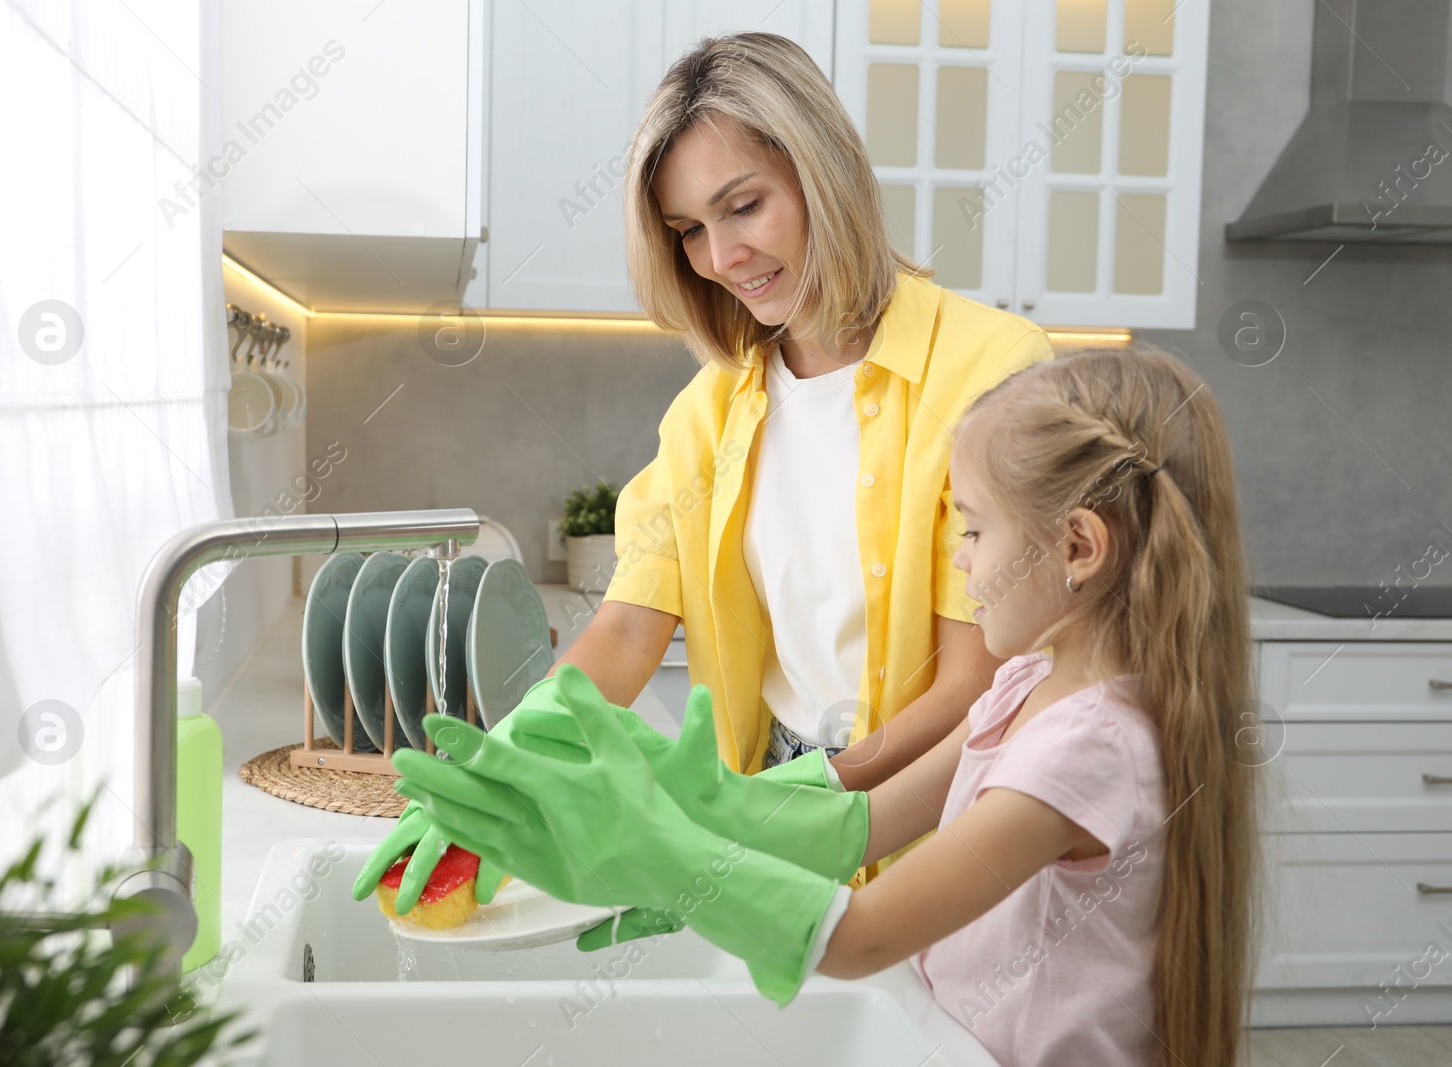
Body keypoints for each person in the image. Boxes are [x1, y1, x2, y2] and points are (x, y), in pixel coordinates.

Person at [393, 346, 1261, 1067]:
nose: (958, 561)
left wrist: (663, 856)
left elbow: (864, 935)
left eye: (974, 527)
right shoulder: (1028, 686)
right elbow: (863, 826)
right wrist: (688, 801)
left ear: (1077, 546)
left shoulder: (1092, 748)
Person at [355, 29, 1054, 911]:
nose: (721, 258)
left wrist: (819, 799)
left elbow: (980, 679)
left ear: (825, 168)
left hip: (942, 814)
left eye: (744, 206)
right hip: (772, 797)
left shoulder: (991, 372)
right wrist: (510, 770)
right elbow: (624, 633)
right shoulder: (710, 412)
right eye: (689, 229)